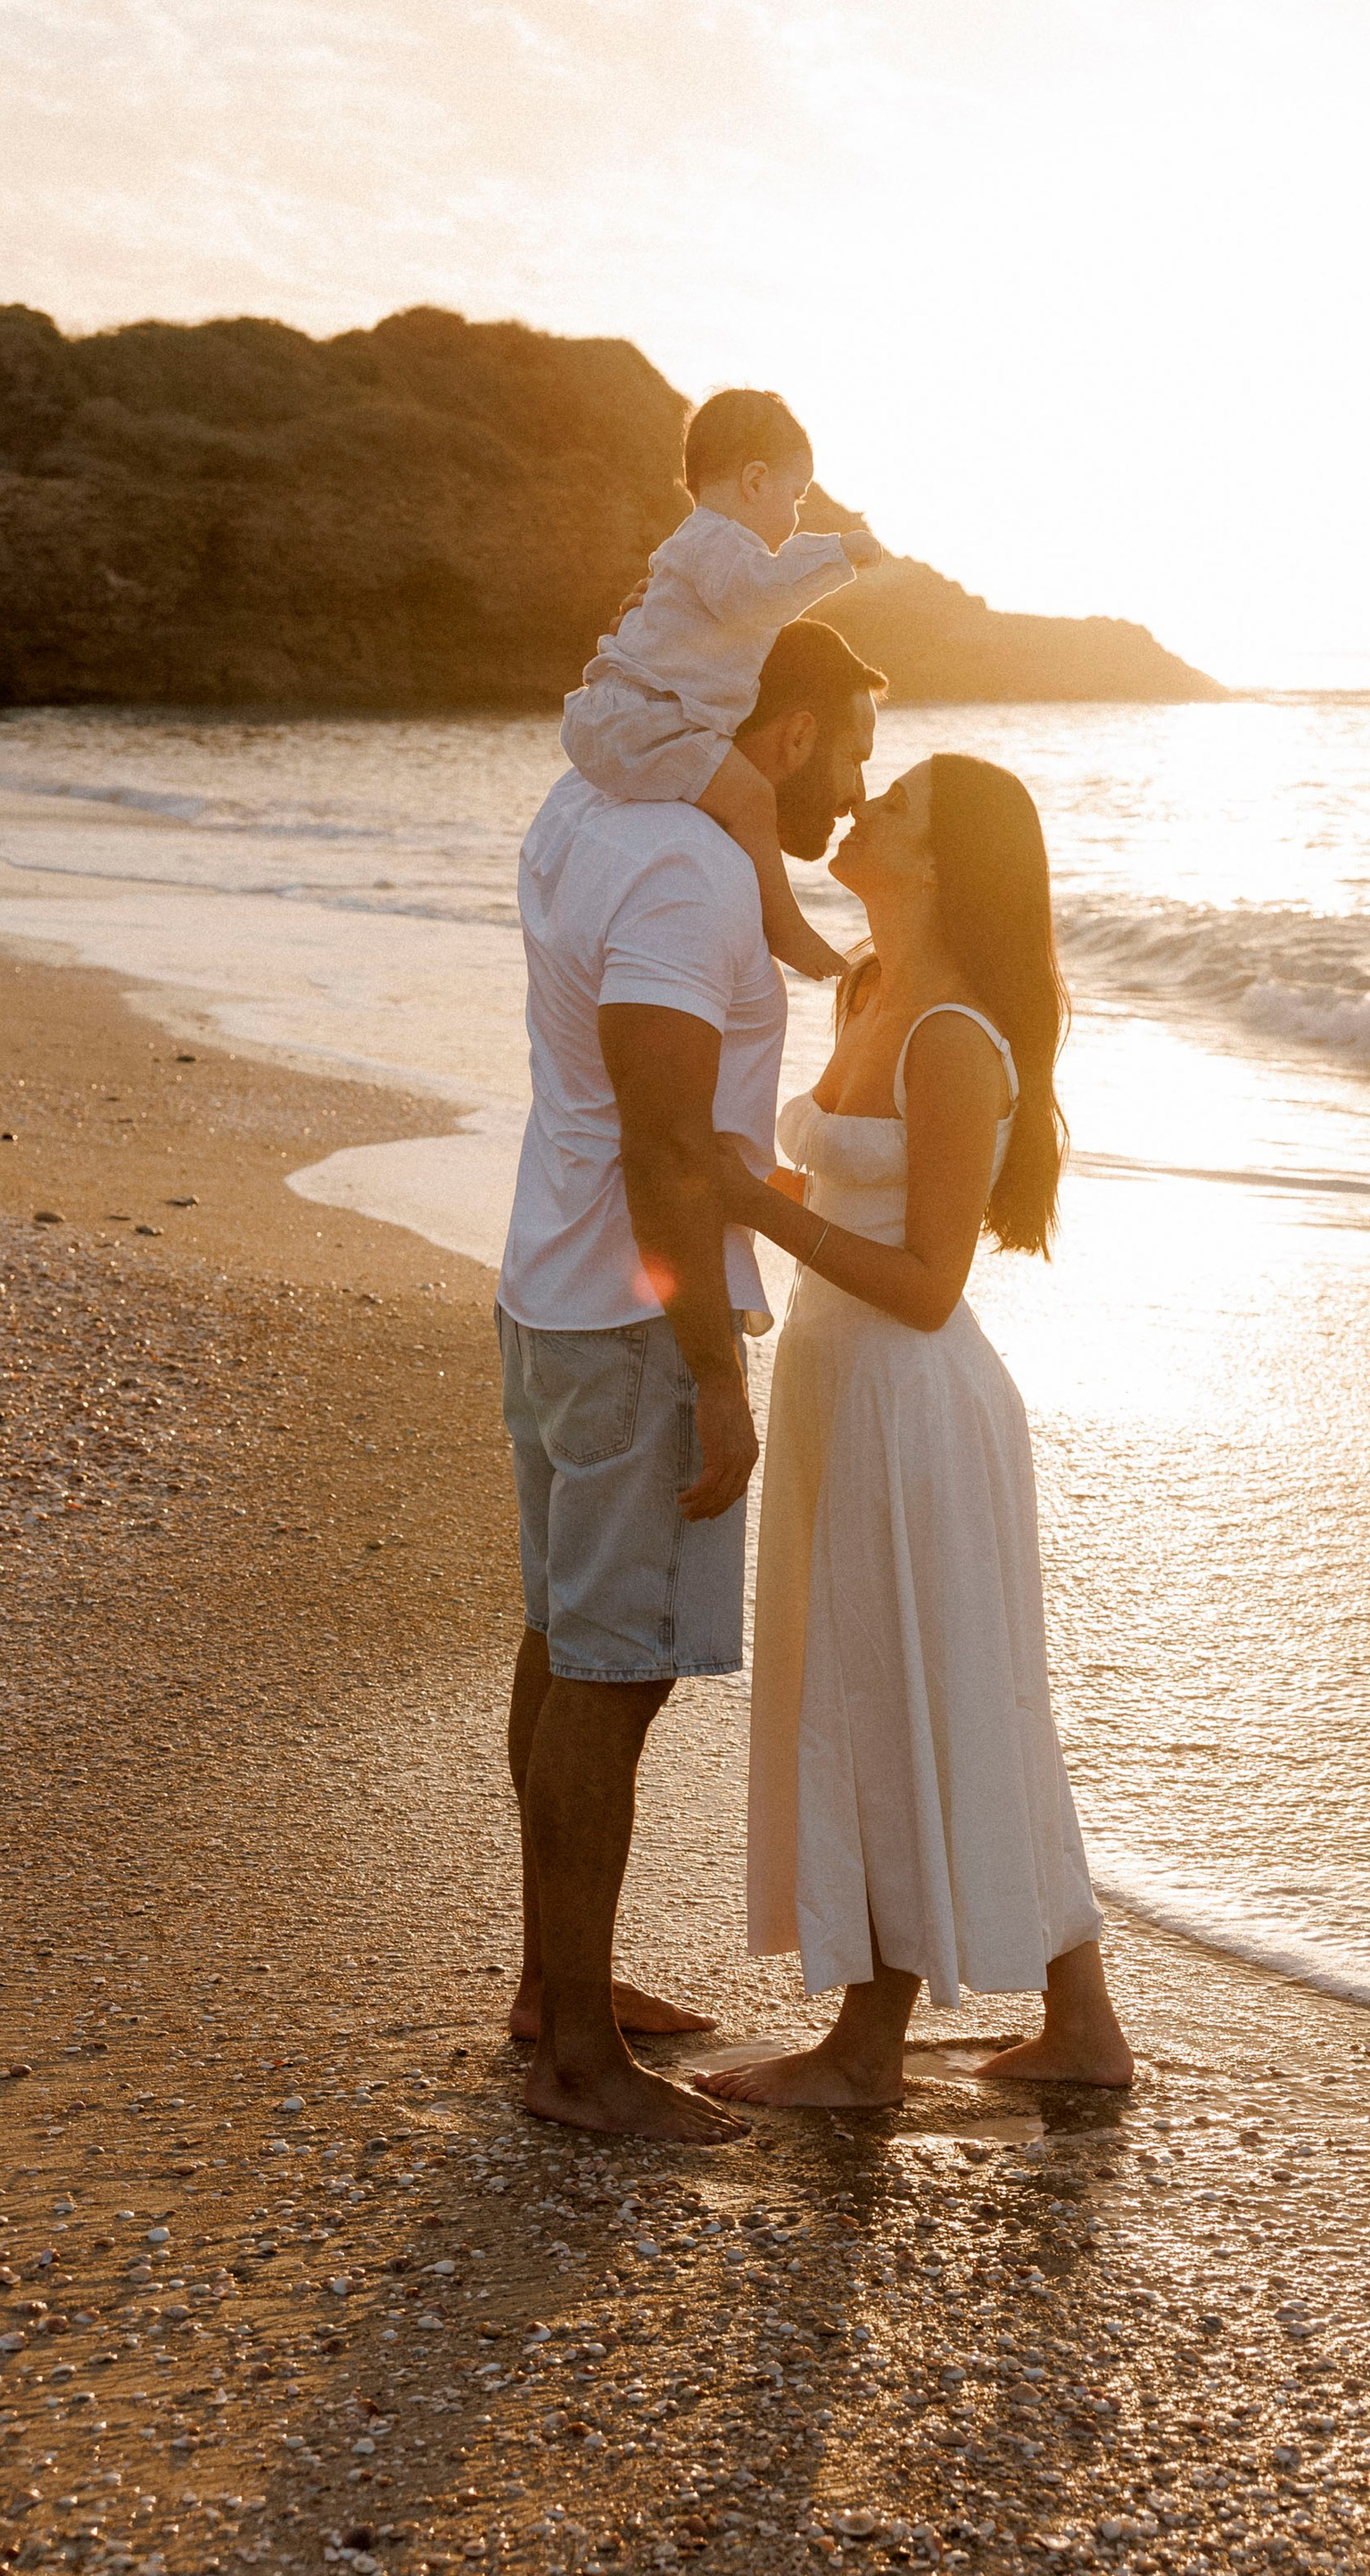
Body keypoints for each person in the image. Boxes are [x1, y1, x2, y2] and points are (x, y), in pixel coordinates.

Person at [696, 752, 1134, 2109]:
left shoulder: (953, 1035)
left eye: (895, 810)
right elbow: (829, 1160)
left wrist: (755, 1207)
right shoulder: (869, 987)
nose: (866, 809)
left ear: (941, 864)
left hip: (916, 1401)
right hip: (840, 1384)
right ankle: (1083, 2027)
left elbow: (933, 1280)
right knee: (939, 1683)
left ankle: (868, 2052)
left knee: (901, 1686)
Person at [499, 615, 885, 2139]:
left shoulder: (591, 807)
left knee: (563, 1638)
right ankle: (581, 2061)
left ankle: (554, 1990)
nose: (858, 787)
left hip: (552, 1282)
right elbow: (670, 1145)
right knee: (616, 1665)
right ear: (783, 735)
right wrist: (714, 1367)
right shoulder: (686, 871)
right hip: (627, 1312)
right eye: (852, 745)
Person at [560, 386, 884, 983]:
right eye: (797, 495)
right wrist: (842, 552)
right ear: (755, 481)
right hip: (645, 720)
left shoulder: (699, 549)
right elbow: (763, 594)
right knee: (754, 800)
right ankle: (786, 927)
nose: (795, 516)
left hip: (622, 714)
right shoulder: (722, 543)